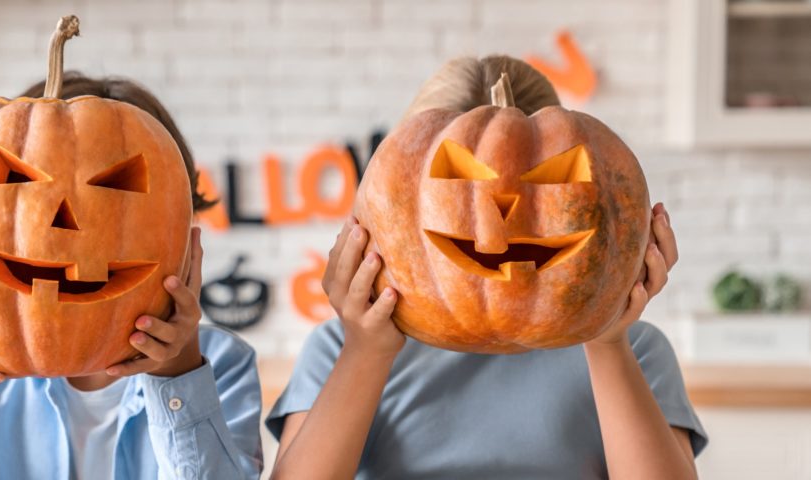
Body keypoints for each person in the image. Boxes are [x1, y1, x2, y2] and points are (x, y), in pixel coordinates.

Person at [267, 56, 707, 480]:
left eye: (547, 179)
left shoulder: (637, 350)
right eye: (456, 182)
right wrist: (366, 351)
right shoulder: (339, 347)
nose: (499, 208)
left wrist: (605, 331)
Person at [0, 75, 263, 480]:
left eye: (119, 188)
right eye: (20, 179)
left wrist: (178, 368)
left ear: (183, 227)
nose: (66, 226)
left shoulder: (222, 364)